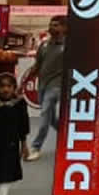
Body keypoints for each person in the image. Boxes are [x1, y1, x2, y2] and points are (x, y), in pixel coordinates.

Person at [22, 15, 66, 162]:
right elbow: (37, 66)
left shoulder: (69, 45)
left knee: (44, 115)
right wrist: (23, 84)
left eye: (56, 25)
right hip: (42, 85)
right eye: (51, 24)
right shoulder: (44, 45)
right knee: (51, 118)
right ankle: (66, 135)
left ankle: (36, 147)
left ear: (64, 28)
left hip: (57, 86)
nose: (52, 27)